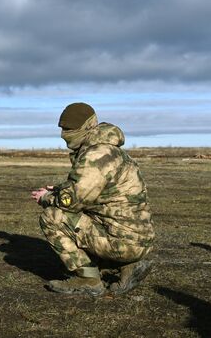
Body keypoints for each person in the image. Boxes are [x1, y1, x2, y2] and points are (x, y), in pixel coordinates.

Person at [32, 102, 155, 296]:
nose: (64, 134)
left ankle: (88, 279)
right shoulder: (108, 151)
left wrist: (47, 198)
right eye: (63, 129)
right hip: (136, 238)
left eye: (69, 129)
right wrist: (58, 190)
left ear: (87, 127)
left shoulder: (96, 156)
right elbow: (96, 193)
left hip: (122, 241)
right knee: (80, 217)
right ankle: (127, 266)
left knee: (52, 217)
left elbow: (71, 202)